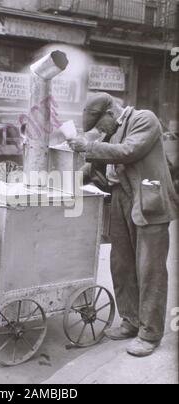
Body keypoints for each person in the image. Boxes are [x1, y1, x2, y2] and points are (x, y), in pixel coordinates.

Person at [66, 92, 179, 357]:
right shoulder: (112, 132)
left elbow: (128, 152)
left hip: (148, 202)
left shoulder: (144, 120)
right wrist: (65, 178)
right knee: (121, 264)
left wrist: (87, 146)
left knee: (149, 269)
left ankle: (149, 333)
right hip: (120, 200)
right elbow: (98, 165)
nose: (98, 130)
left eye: (99, 125)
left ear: (110, 113)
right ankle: (130, 321)